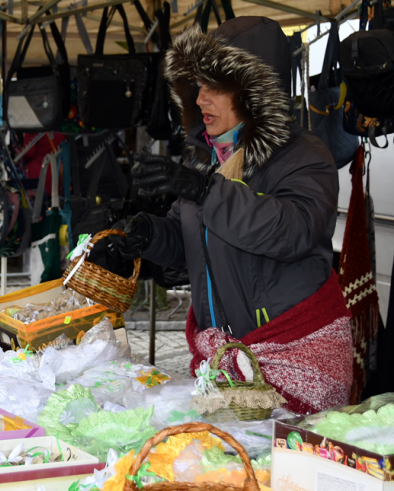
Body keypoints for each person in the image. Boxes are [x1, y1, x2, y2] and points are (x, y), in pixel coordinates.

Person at [92, 17, 352, 415]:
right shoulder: (214, 160)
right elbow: (191, 242)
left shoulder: (304, 155)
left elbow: (292, 230)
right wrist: (144, 238)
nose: (200, 99)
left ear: (253, 93)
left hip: (296, 354)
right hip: (230, 362)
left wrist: (204, 190)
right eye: (198, 86)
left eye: (215, 87)